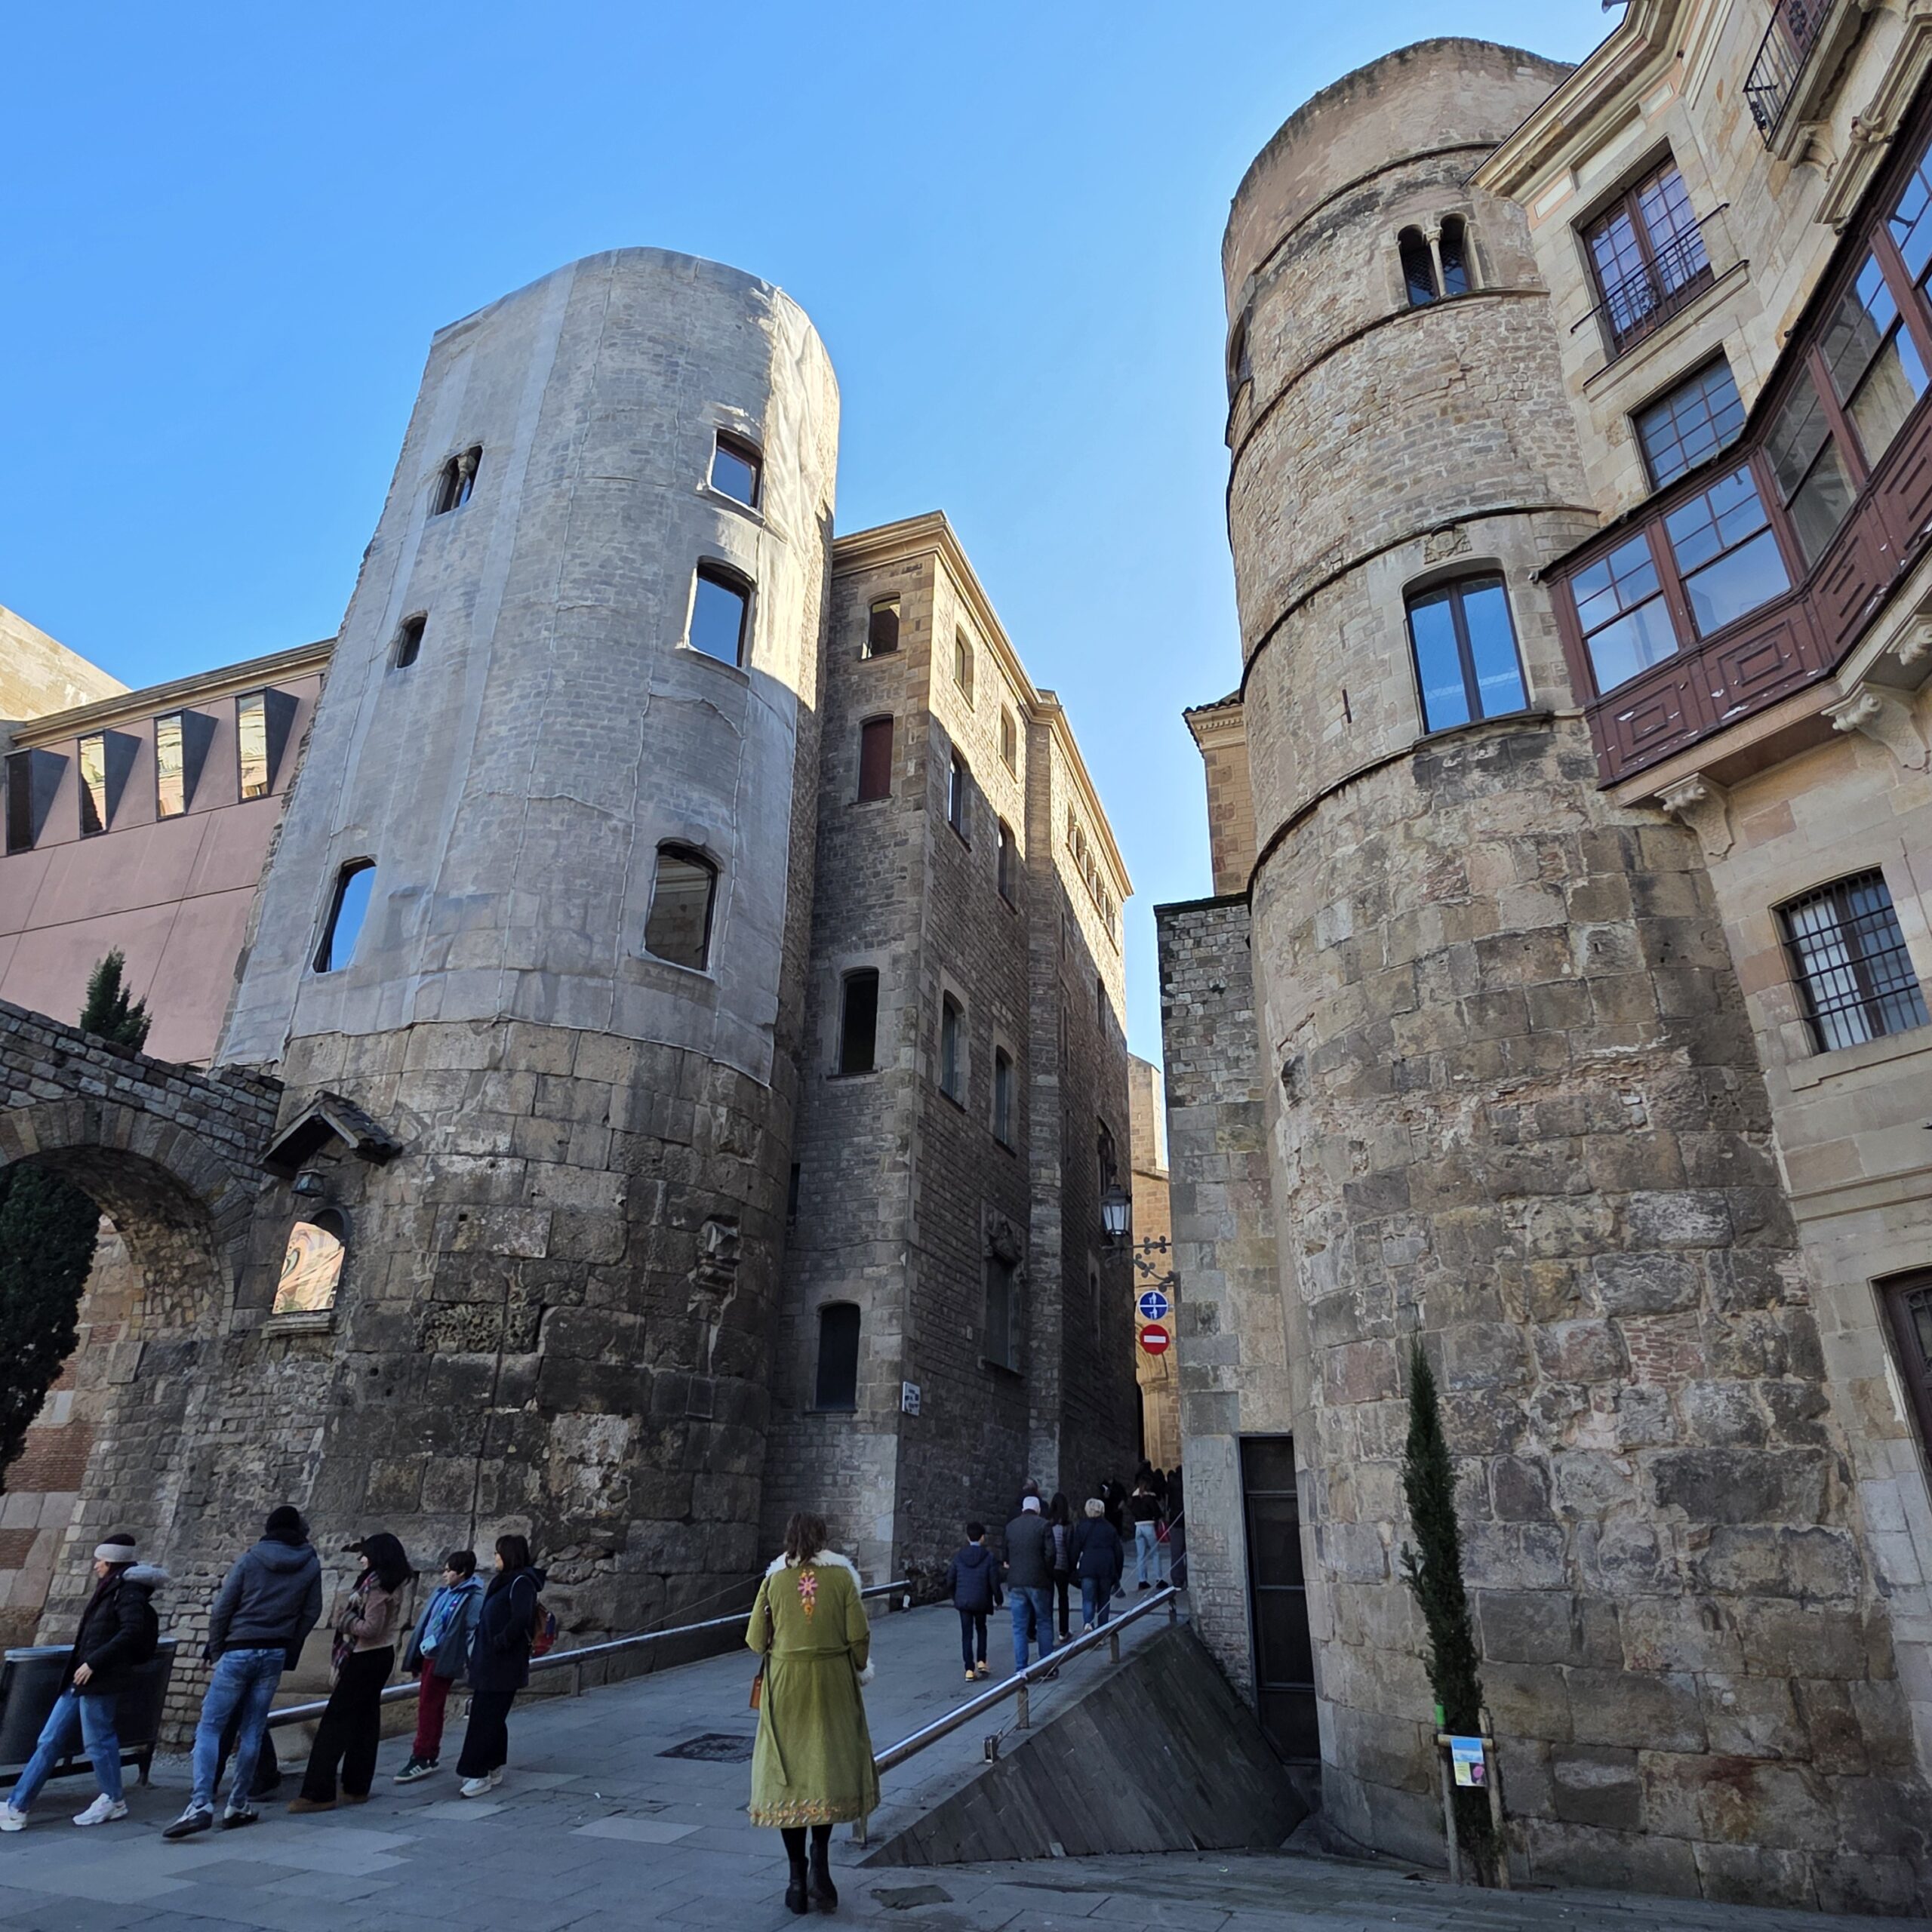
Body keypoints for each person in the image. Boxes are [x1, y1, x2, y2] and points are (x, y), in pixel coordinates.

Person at [746, 1510, 878, 1915]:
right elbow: (859, 1638)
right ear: (823, 1539)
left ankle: (795, 1877)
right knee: (826, 1768)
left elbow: (754, 1640)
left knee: (790, 1776)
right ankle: (821, 1860)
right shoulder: (842, 1580)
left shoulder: (774, 1581)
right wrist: (855, 1665)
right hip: (832, 1683)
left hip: (786, 1686)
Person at [165, 1506, 321, 1839]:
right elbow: (311, 1612)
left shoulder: (251, 1559)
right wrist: (289, 1648)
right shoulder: (310, 1564)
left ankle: (201, 1803)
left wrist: (218, 1648)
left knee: (210, 1727)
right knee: (252, 1728)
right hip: (275, 1650)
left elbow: (223, 1607)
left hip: (239, 1648)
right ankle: (238, 1803)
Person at [2, 1534, 164, 1831]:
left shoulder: (128, 1592)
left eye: (100, 1560)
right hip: (82, 1677)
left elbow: (131, 1631)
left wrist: (94, 1662)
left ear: (112, 1561)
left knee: (98, 1740)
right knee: (49, 1740)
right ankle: (17, 1804)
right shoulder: (112, 1588)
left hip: (99, 1678)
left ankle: (114, 1799)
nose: (95, 1566)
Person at [287, 1533, 413, 1814]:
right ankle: (356, 1786)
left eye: (365, 1553)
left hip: (366, 1657)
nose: (361, 1558)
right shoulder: (388, 1581)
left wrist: (345, 1620)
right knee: (365, 1722)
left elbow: (370, 1629)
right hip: (378, 1657)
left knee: (335, 1723)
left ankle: (318, 1792)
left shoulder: (378, 1585)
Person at [456, 1534, 546, 1798]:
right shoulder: (505, 1583)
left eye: (498, 1553)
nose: (495, 1558)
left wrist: (501, 1641)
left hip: (502, 1664)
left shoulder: (521, 1584)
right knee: (490, 1716)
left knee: (484, 1718)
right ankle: (493, 1767)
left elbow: (520, 1619)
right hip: (490, 1662)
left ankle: (477, 1771)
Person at [394, 1549, 485, 1783]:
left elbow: (472, 1632)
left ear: (462, 1572)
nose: (444, 1575)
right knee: (427, 1703)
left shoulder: (473, 1598)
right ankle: (425, 1753)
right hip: (429, 1653)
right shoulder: (444, 1592)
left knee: (430, 1705)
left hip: (445, 1655)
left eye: (448, 1570)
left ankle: (424, 1754)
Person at [1001, 1494, 1057, 1677]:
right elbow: (1051, 1554)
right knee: (1044, 1622)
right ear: (1038, 1509)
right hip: (1039, 1581)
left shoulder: (1011, 1527)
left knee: (1019, 1627)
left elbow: (1006, 1556)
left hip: (1016, 1582)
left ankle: (1020, 1669)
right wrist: (1046, 1572)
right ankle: (1046, 1667)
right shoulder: (1044, 1525)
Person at [943, 1523, 1000, 1681]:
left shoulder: (959, 1557)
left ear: (968, 1537)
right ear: (982, 1538)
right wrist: (998, 1598)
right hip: (981, 1600)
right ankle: (982, 1661)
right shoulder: (988, 1557)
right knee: (981, 1629)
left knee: (966, 1635)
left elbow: (950, 1579)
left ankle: (969, 1669)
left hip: (964, 1601)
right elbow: (994, 1580)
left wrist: (955, 1596)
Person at [1071, 1499, 1124, 1632]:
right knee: (1104, 1601)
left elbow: (1074, 1550)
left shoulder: (1082, 1527)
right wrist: (1118, 1572)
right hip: (1106, 1567)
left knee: (1088, 1599)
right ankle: (1102, 1631)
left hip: (1088, 1566)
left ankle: (1088, 1624)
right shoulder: (1110, 1528)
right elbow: (1119, 1552)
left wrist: (1072, 1569)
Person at [1047, 1494, 1075, 1641]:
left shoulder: (1047, 1524)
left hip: (1049, 1566)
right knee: (1063, 1598)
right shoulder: (1068, 1526)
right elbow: (1070, 1546)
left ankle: (1047, 1630)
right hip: (1062, 1565)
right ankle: (1063, 1631)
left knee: (1048, 1598)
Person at [1128, 1477, 1163, 1590]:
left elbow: (1132, 1511)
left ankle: (1142, 1580)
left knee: (1141, 1555)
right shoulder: (1149, 1498)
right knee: (1155, 1553)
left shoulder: (1134, 1499)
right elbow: (1157, 1512)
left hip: (1138, 1526)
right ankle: (1159, 1578)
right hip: (1149, 1525)